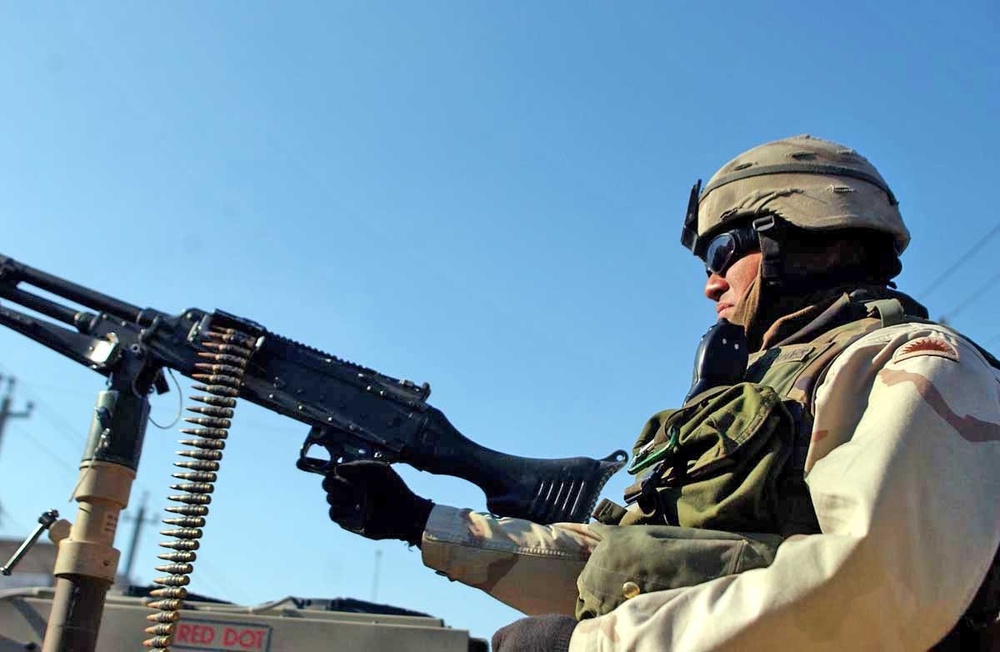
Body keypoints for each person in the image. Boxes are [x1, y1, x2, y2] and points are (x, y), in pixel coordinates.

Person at [321, 135, 1000, 651]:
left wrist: (589, 645)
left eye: (721, 254)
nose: (710, 284)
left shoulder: (912, 363)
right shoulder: (767, 390)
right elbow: (624, 569)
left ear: (797, 229)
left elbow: (880, 586)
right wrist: (423, 524)